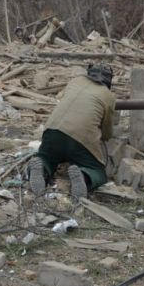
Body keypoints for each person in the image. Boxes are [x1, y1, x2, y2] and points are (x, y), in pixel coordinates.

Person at [28, 64, 115, 199]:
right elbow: (107, 132)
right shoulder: (108, 96)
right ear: (108, 81)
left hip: (52, 130)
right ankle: (84, 176)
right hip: (79, 138)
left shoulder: (75, 81)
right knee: (97, 170)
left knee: (47, 157)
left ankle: (42, 169)